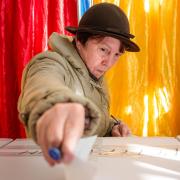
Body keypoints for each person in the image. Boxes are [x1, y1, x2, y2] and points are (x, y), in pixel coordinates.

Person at [18, 3, 140, 166]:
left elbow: (96, 117)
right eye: (103, 50)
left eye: (116, 54)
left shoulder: (94, 73)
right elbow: (43, 84)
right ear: (80, 41)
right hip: (52, 169)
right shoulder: (50, 62)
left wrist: (112, 128)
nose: (108, 63)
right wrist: (57, 104)